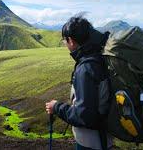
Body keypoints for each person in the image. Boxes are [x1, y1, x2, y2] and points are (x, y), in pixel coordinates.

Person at [45, 14, 113, 150]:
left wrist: (56, 107)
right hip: (103, 139)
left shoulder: (86, 68)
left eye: (64, 40)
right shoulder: (98, 58)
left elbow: (84, 115)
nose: (64, 44)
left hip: (90, 142)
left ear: (71, 41)